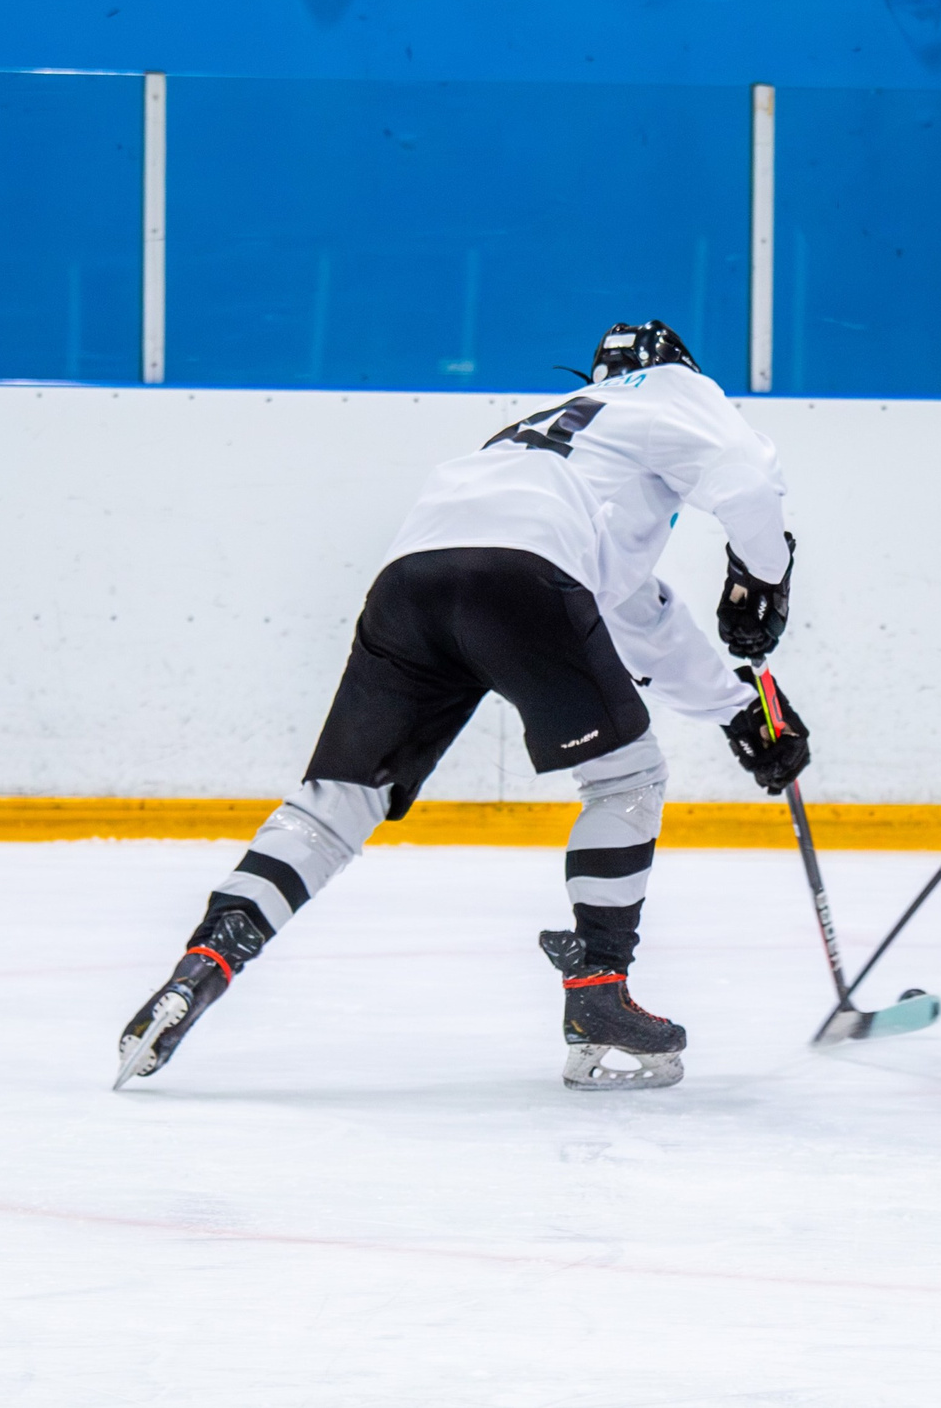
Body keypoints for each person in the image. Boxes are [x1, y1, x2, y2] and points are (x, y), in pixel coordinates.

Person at [115, 320, 810, 1094]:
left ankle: (202, 964)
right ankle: (599, 991)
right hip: (524, 576)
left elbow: (628, 607)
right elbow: (748, 484)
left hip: (411, 580)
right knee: (627, 778)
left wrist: (734, 707)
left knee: (335, 805)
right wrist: (762, 580)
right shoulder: (675, 389)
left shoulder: (544, 438)